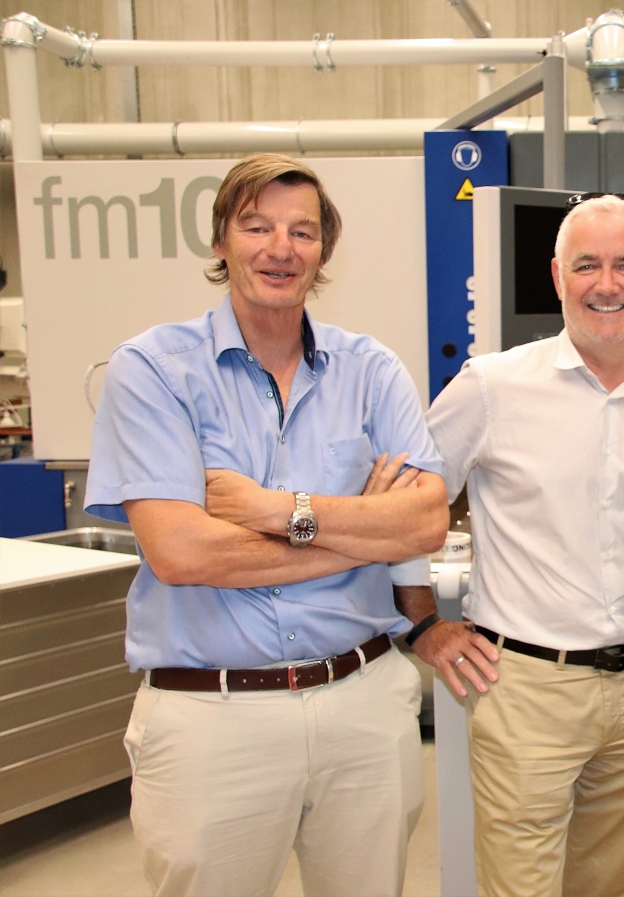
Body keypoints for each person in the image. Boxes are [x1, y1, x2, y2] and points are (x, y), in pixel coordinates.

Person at [84, 153, 450, 897]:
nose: (280, 248)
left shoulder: (371, 370)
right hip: (211, 716)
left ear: (323, 251)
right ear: (221, 238)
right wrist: (362, 533)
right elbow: (182, 553)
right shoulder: (153, 371)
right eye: (257, 226)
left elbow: (424, 522)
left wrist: (275, 511)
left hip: (362, 702)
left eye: (302, 232)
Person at [411, 193, 624, 897]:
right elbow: (402, 507)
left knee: (611, 888)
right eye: (587, 265)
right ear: (557, 277)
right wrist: (423, 623)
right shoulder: (491, 388)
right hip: (524, 690)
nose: (607, 285)